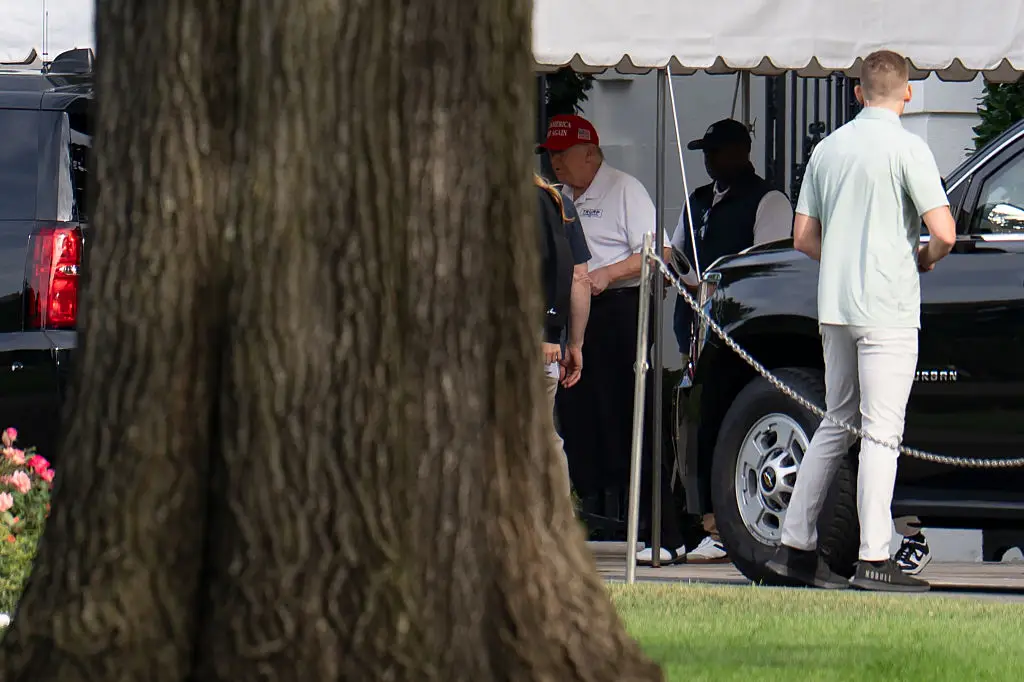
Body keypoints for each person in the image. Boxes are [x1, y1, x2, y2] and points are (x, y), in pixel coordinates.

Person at [765, 49, 957, 592]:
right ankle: (875, 556)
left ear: (857, 93)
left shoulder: (828, 148)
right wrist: (921, 260)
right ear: (908, 93)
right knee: (881, 432)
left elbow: (803, 236)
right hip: (888, 306)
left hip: (836, 305)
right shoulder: (908, 148)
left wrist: (844, 258)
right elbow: (942, 231)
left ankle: (794, 545)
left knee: (836, 418)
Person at [538, 114, 687, 565]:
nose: (556, 165)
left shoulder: (625, 189)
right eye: (551, 156)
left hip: (619, 311)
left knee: (629, 419)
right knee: (577, 422)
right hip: (571, 318)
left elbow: (658, 252)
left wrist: (605, 273)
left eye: (563, 156)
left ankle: (663, 530)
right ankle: (588, 516)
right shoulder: (556, 198)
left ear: (590, 153)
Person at [669, 118, 793, 564]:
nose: (708, 162)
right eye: (705, 153)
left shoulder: (767, 200)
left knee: (728, 422)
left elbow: (767, 263)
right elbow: (678, 254)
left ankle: (725, 524)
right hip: (696, 331)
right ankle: (702, 521)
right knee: (697, 425)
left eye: (715, 152)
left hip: (738, 335)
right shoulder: (697, 201)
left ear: (740, 152)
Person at [535, 173, 592, 496]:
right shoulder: (557, 201)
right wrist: (574, 343)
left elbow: (565, 271)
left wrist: (550, 332)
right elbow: (578, 279)